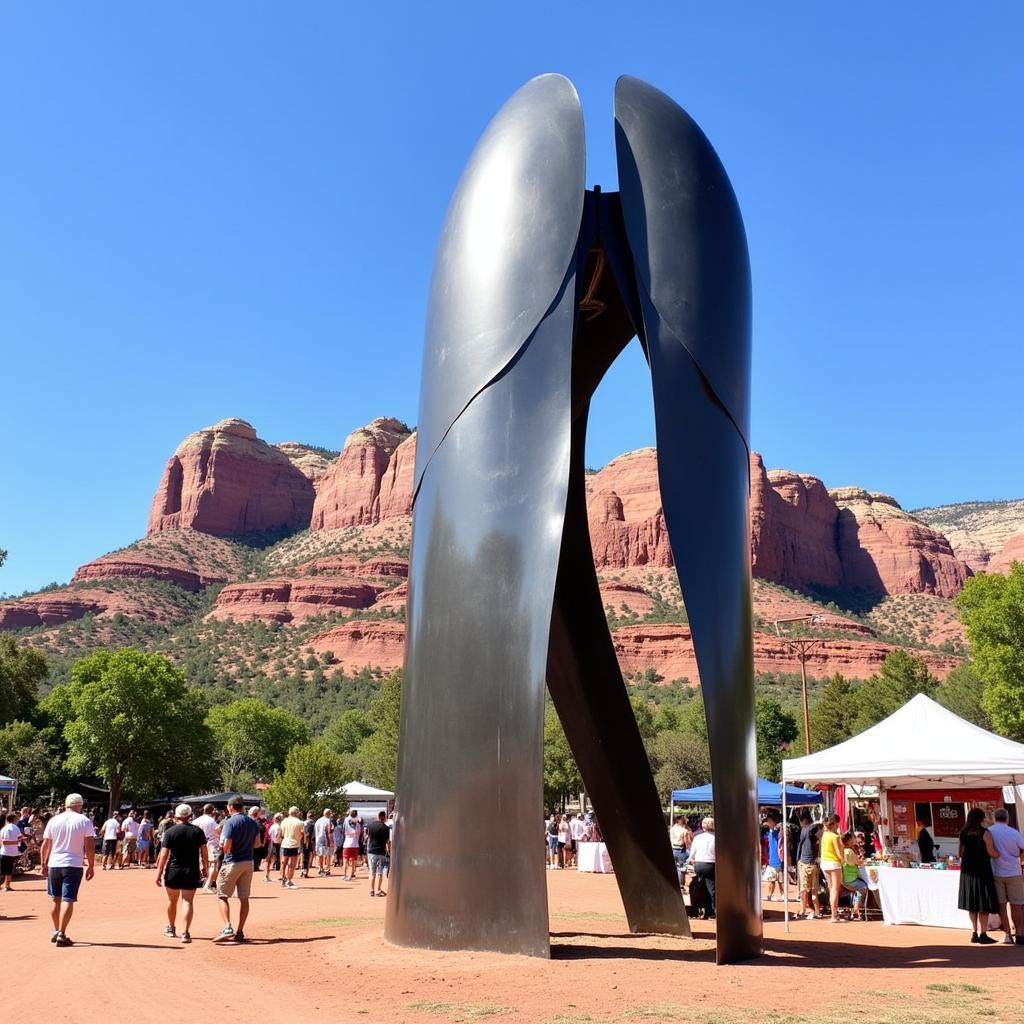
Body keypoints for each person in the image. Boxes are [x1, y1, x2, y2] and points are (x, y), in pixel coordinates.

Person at [38, 793, 96, 947]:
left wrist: (43, 864)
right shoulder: (84, 821)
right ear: (80, 805)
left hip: (54, 863)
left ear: (66, 805)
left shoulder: (54, 820)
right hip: (73, 864)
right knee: (68, 899)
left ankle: (56, 930)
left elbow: (46, 844)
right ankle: (62, 933)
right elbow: (89, 846)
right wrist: (91, 865)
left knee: (55, 898)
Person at [155, 803, 209, 943]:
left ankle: (171, 928)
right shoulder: (198, 831)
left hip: (173, 870)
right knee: (187, 901)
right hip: (191, 870)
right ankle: (185, 932)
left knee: (172, 901)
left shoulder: (170, 832)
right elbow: (204, 851)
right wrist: (206, 867)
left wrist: (159, 872)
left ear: (176, 816)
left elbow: (164, 854)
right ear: (190, 816)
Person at [214, 795, 259, 943]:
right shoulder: (252, 822)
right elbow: (257, 843)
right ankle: (240, 931)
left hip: (232, 861)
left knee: (222, 894)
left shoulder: (230, 822)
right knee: (244, 898)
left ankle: (227, 926)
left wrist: (223, 847)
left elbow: (227, 845)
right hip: (248, 862)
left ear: (231, 807)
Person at [957, 806, 1000, 944]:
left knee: (972, 903)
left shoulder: (963, 832)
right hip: (982, 870)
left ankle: (974, 932)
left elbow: (960, 853)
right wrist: (1001, 854)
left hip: (968, 870)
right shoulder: (984, 832)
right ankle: (983, 933)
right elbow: (992, 852)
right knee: (983, 903)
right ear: (981, 819)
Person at [987, 807, 1024, 945]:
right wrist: (1019, 858)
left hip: (996, 871)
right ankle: (1019, 933)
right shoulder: (1014, 833)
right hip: (1014, 871)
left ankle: (1007, 934)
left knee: (1001, 904)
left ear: (994, 818)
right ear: (1007, 818)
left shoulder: (989, 832)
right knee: (1017, 903)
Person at [689, 816, 716, 919]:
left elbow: (692, 853)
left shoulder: (697, 837)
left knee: (701, 886)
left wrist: (691, 861)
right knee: (711, 887)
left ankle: (700, 909)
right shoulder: (715, 838)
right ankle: (711, 911)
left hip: (699, 864)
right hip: (711, 864)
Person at [797, 812, 822, 920]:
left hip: (806, 863)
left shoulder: (805, 830)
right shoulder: (811, 831)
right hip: (810, 863)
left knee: (806, 890)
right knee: (811, 891)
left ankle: (807, 911)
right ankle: (814, 911)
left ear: (803, 822)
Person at [819, 815, 844, 924]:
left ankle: (834, 913)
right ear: (835, 824)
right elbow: (839, 853)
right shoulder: (835, 836)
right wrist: (843, 859)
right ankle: (834, 915)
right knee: (835, 889)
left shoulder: (824, 835)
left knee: (831, 888)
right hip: (834, 863)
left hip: (824, 863)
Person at [192, 804, 221, 893]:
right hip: (211, 844)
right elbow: (217, 832)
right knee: (214, 865)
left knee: (203, 864)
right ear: (212, 811)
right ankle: (208, 885)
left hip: (198, 845)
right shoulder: (212, 821)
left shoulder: (196, 821)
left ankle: (206, 883)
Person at [840, 830, 868, 920]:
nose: (854, 840)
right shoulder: (849, 851)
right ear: (849, 841)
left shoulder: (844, 850)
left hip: (847, 877)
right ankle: (856, 910)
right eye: (853, 838)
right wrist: (864, 861)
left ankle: (857, 909)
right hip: (850, 879)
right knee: (864, 887)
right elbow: (858, 862)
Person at [366, 811, 391, 897]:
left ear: (378, 816)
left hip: (372, 851)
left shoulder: (370, 826)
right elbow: (388, 842)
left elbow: (368, 837)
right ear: (384, 817)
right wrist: (389, 851)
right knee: (380, 872)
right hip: (381, 851)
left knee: (372, 872)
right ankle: (378, 889)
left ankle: (371, 890)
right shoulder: (386, 828)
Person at [279, 806, 304, 889]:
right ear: (296, 813)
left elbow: (281, 834)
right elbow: (303, 833)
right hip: (294, 844)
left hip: (285, 844)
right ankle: (289, 881)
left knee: (284, 862)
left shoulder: (284, 822)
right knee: (292, 864)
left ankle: (283, 879)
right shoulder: (300, 822)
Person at [762, 813, 784, 902]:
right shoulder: (769, 832)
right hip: (772, 860)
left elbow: (778, 828)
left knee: (780, 880)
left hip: (778, 860)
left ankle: (783, 895)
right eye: (768, 821)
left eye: (770, 821)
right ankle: (770, 895)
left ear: (774, 822)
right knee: (772, 880)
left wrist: (779, 826)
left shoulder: (776, 831)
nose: (768, 823)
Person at [0, 812, 23, 891]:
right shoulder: (15, 828)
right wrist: (17, 842)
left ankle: (6, 886)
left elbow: (2, 841)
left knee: (5, 870)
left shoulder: (4, 828)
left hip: (4, 852)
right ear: (13, 819)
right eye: (16, 818)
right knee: (8, 870)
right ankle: (7, 886)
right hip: (11, 852)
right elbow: (5, 842)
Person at [669, 815, 691, 884]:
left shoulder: (672, 829)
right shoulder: (684, 830)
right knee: (681, 868)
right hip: (681, 850)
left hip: (672, 849)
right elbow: (686, 842)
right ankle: (680, 884)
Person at [342, 808, 362, 880]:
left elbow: (343, 830)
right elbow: (359, 834)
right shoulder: (358, 825)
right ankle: (351, 875)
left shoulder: (346, 822)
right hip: (355, 844)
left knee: (345, 860)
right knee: (353, 861)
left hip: (347, 844)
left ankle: (344, 874)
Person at [314, 808, 334, 876]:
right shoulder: (328, 821)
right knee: (328, 855)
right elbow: (330, 831)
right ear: (328, 814)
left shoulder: (318, 820)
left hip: (318, 839)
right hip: (326, 840)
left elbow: (316, 831)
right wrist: (331, 842)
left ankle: (321, 868)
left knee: (320, 854)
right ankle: (327, 869)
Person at [265, 812, 283, 881]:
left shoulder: (272, 826)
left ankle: (267, 875)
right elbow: (277, 836)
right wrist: (281, 839)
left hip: (272, 844)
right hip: (277, 844)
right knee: (281, 860)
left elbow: (269, 834)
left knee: (269, 860)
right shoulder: (278, 827)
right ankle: (281, 875)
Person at [249, 807, 267, 877]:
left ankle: (256, 866)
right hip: (254, 841)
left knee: (257, 855)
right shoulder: (251, 821)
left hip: (257, 841)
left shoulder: (259, 821)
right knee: (254, 854)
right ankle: (254, 866)